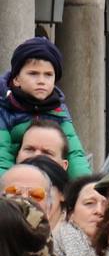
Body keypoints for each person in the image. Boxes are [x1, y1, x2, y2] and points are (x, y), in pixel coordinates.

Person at [0, 38, 90, 176]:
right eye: (33, 73)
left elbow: (74, 154)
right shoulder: (4, 108)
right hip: (16, 185)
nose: (41, 81)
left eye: (48, 75)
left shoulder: (59, 110)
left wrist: (84, 186)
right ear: (16, 79)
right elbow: (2, 156)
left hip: (52, 181)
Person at [54, 173, 104, 256]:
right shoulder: (52, 253)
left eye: (106, 204)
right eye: (89, 203)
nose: (99, 210)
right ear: (70, 212)